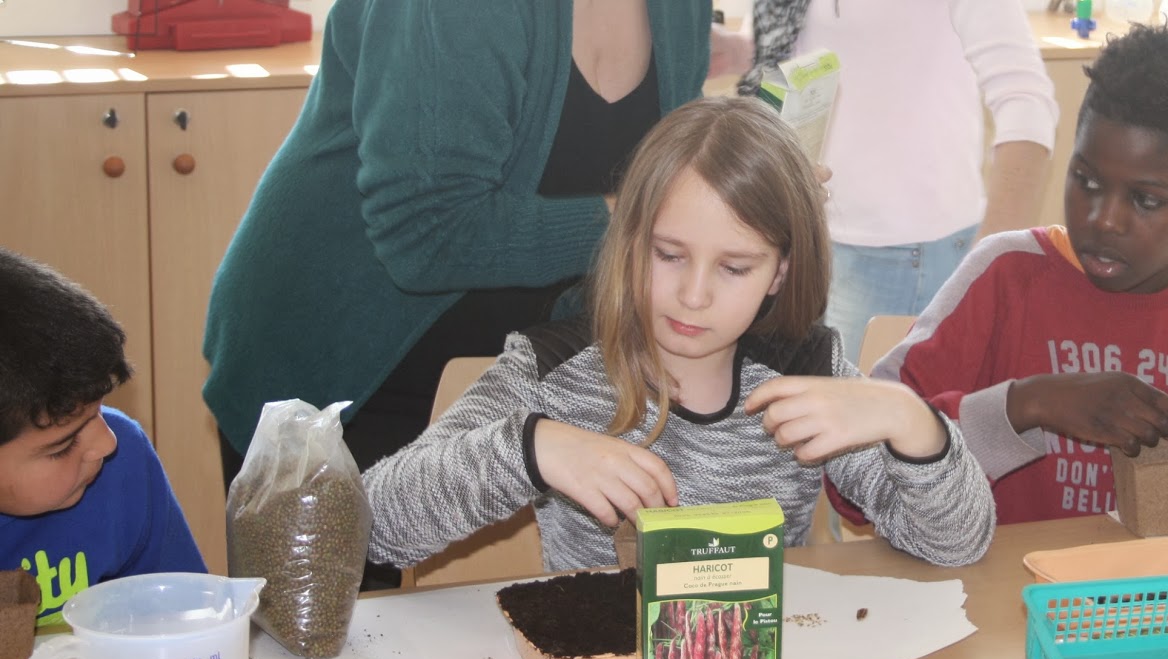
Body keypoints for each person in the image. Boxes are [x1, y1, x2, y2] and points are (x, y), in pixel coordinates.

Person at [362, 96, 996, 571]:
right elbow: (370, 528)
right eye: (668, 255)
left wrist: (911, 420)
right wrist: (531, 450)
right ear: (628, 241)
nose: (694, 295)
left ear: (781, 272)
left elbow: (956, 543)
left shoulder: (808, 375)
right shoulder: (554, 370)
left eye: (734, 267)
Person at [204, 1, 737, 485]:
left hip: (512, 377)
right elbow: (428, 236)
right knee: (370, 591)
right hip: (347, 374)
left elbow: (661, 180)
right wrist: (635, 223)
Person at [867, 24, 1168, 525]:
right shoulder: (1006, 274)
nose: (1104, 219)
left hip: (1162, 599)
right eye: (1087, 181)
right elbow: (860, 467)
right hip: (1006, 594)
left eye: (1146, 200)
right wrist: (1028, 404)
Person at [739, 0, 1058, 362]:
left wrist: (995, 263)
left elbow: (1027, 102)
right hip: (811, 234)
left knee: (863, 412)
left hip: (906, 255)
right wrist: (739, 50)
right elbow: (820, 45)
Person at [0, 248, 207, 626]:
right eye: (63, 445)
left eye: (98, 410)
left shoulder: (123, 464)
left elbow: (183, 618)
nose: (106, 443)